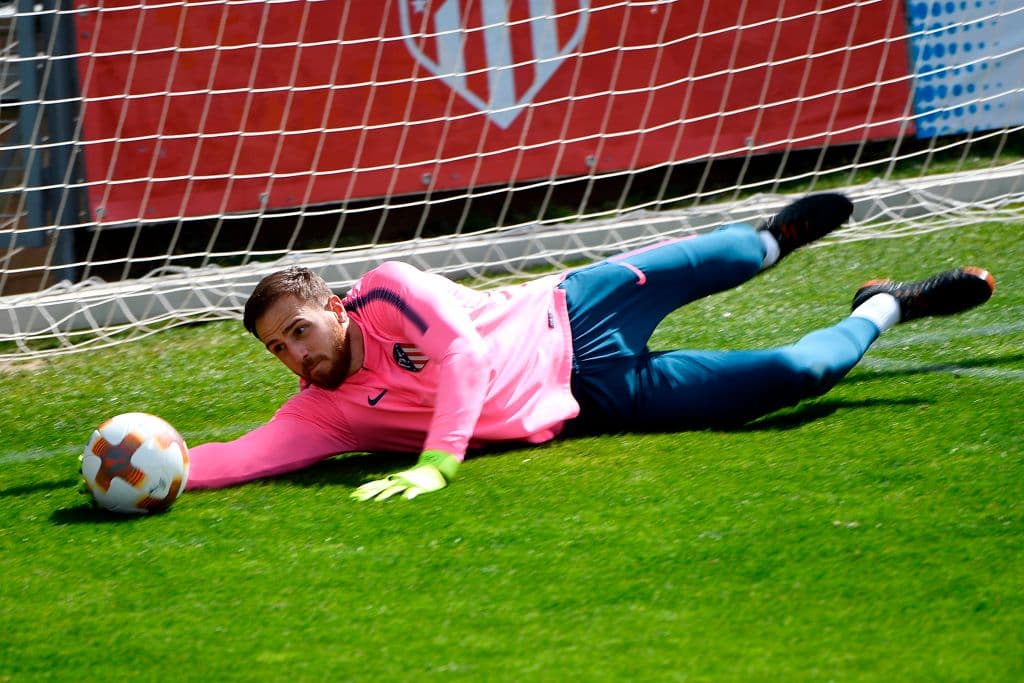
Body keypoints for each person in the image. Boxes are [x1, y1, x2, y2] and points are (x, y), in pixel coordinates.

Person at [185, 193, 996, 500]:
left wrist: (437, 463)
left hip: (574, 309)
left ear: (334, 306)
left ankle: (775, 239)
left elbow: (463, 358)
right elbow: (236, 456)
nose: (295, 356)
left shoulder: (391, 286)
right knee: (802, 371)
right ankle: (887, 302)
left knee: (743, 255)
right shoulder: (325, 415)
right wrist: (147, 463)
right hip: (595, 400)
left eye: (300, 331)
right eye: (277, 350)